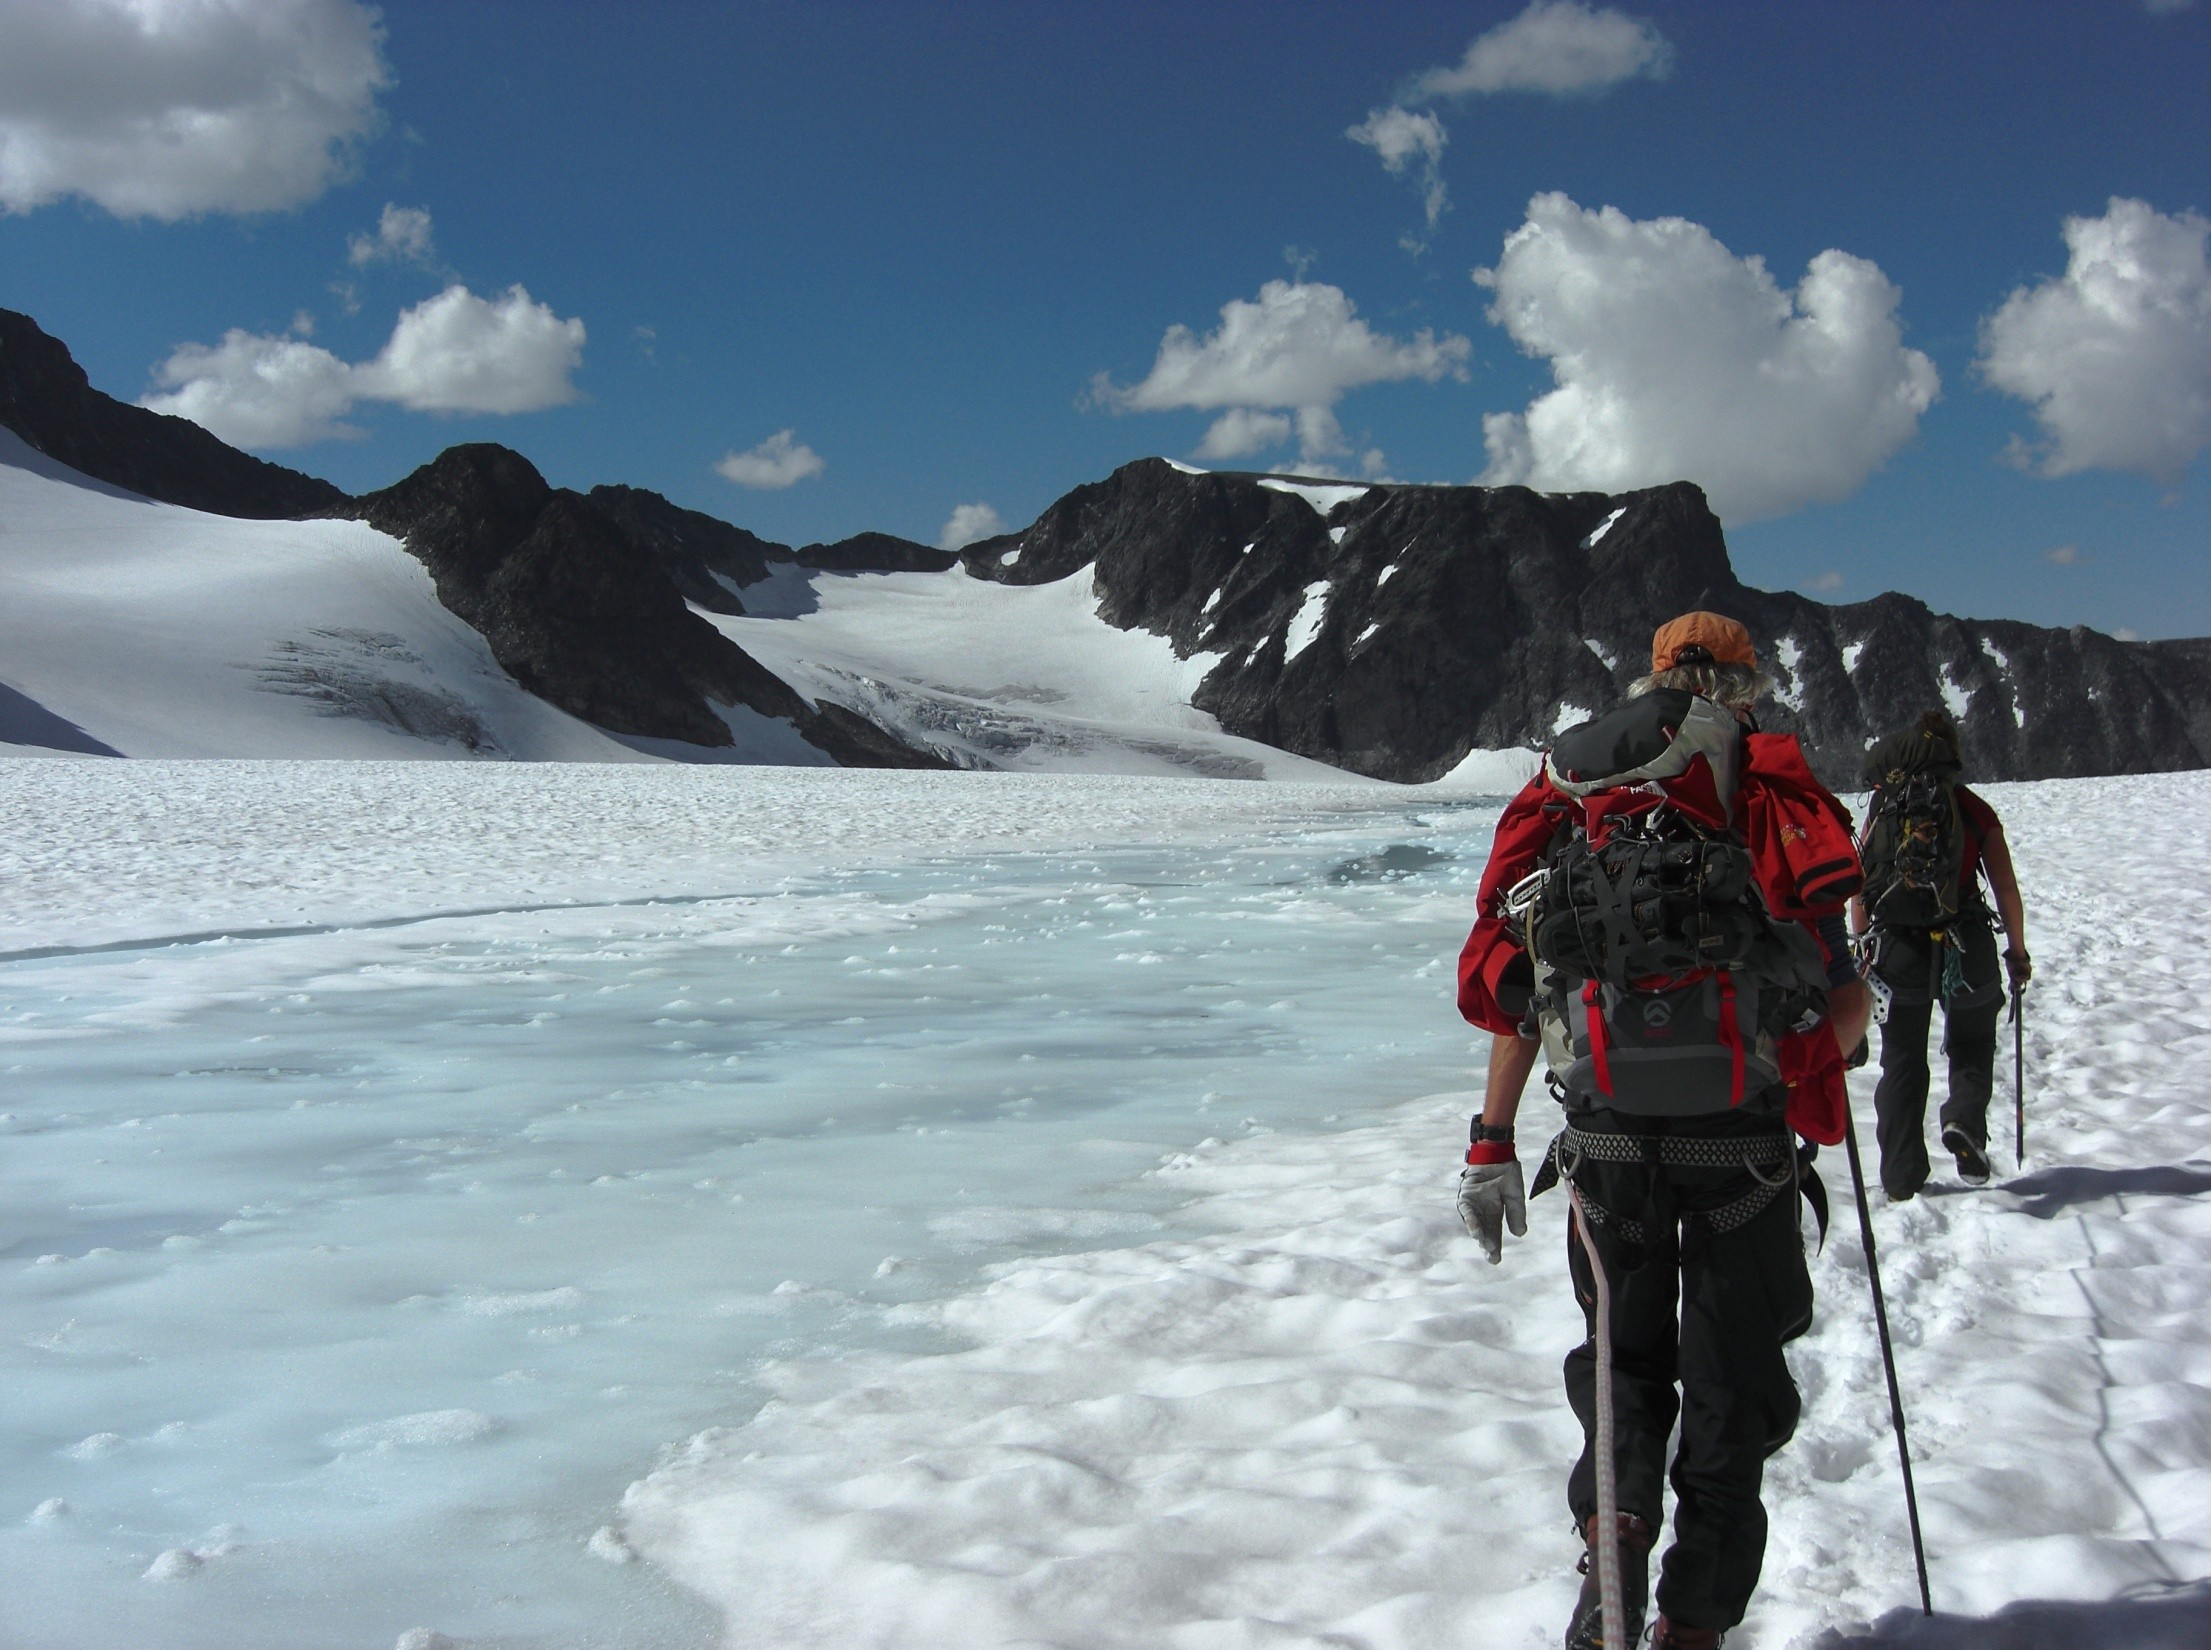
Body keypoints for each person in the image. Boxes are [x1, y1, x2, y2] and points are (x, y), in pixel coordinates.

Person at [1453, 612, 1872, 1650]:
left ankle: (1614, 1550)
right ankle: (1691, 1629)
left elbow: (1523, 992)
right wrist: (1834, 1039)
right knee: (1734, 1389)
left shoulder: (1575, 792)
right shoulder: (1761, 787)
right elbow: (1835, 997)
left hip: (1601, 1144)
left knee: (1622, 1364)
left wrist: (1490, 1143)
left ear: (1650, 676)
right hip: (1740, 1148)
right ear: (1744, 681)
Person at [1851, 711, 2030, 1196]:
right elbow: (2006, 887)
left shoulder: (1885, 810)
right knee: (1973, 1041)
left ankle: (1901, 1177)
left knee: (1903, 1061)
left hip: (1897, 948)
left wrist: (1862, 943)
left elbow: (1860, 885)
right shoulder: (1973, 810)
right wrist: (2016, 949)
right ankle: (1964, 1120)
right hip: (1965, 944)